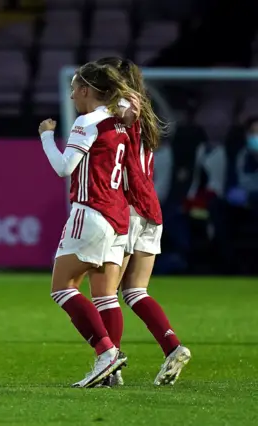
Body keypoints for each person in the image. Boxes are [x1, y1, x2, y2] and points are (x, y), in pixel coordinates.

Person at [95, 57, 191, 386]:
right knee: (135, 291)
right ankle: (172, 346)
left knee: (105, 293)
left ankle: (110, 367)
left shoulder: (121, 108)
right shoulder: (147, 113)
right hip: (151, 210)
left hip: (126, 208)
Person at [39, 62, 135, 388]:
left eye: (73, 90)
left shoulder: (87, 121)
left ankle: (106, 352)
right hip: (119, 215)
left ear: (85, 90)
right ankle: (113, 371)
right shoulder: (119, 124)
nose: (71, 96)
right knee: (106, 296)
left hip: (91, 211)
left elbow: (65, 168)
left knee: (62, 287)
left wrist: (47, 137)